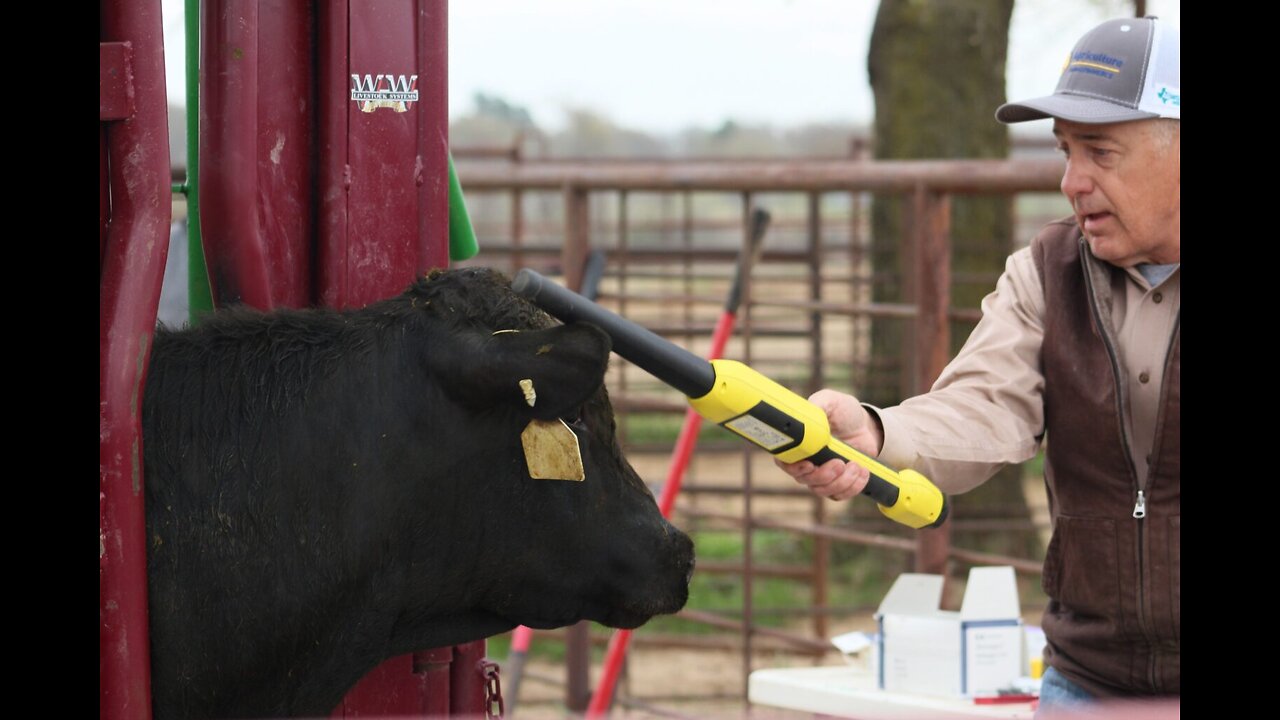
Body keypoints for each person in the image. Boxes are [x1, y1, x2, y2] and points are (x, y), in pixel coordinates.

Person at [776, 16, 1179, 709]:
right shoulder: (1047, 273)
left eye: (1100, 153)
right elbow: (983, 403)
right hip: (1089, 680)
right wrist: (876, 435)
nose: (1071, 181)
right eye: (1063, 151)